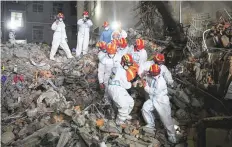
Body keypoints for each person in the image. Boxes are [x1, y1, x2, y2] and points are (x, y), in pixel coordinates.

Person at [141, 64, 177, 143]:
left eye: (151, 72)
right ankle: (150, 124)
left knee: (166, 118)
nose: (149, 73)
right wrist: (143, 76)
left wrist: (145, 86)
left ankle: (172, 135)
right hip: (154, 99)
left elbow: (154, 92)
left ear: (154, 73)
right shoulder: (153, 75)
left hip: (161, 100)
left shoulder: (161, 82)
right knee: (145, 108)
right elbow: (146, 76)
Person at [108, 54, 136, 125]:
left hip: (118, 87)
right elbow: (126, 85)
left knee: (130, 102)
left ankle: (124, 115)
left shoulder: (117, 66)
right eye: (128, 64)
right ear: (123, 63)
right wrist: (132, 84)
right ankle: (119, 121)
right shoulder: (121, 71)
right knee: (124, 105)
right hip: (115, 88)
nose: (128, 66)